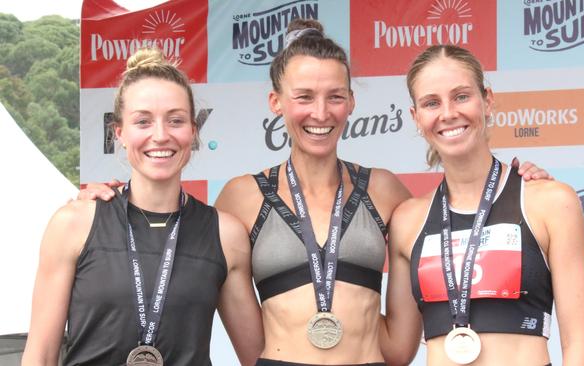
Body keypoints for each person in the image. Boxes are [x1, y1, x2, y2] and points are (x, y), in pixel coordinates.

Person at [74, 21, 550, 366]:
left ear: (351, 102)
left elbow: (459, 223)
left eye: (334, 96)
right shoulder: (240, 198)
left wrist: (519, 184)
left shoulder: (385, 191)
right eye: (303, 97)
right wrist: (116, 201)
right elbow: (171, 251)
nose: (319, 112)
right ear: (276, 103)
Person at [21, 48, 263, 366]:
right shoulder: (73, 224)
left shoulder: (225, 234)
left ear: (193, 131)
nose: (160, 135)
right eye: (143, 121)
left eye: (175, 120)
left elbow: (258, 357)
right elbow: (40, 355)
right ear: (119, 133)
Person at [381, 45, 584, 366]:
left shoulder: (549, 202)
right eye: (431, 103)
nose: (448, 112)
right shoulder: (407, 221)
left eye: (461, 96)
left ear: (488, 100)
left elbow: (579, 345)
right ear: (416, 117)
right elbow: (396, 349)